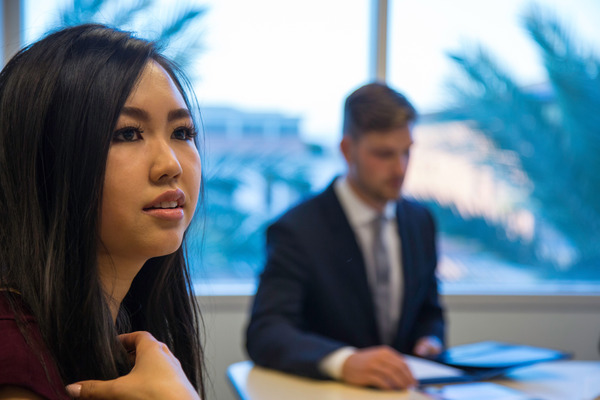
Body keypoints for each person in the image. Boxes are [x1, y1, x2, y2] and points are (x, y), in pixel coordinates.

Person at [0, 24, 204, 399]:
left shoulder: (121, 332)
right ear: (45, 158)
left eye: (182, 132)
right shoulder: (13, 354)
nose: (171, 165)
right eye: (127, 133)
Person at [246, 82, 445, 390]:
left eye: (406, 152)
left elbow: (428, 310)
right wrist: (345, 361)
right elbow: (266, 331)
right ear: (346, 149)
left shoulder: (421, 222)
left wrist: (429, 339)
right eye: (384, 154)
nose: (400, 168)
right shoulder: (298, 229)